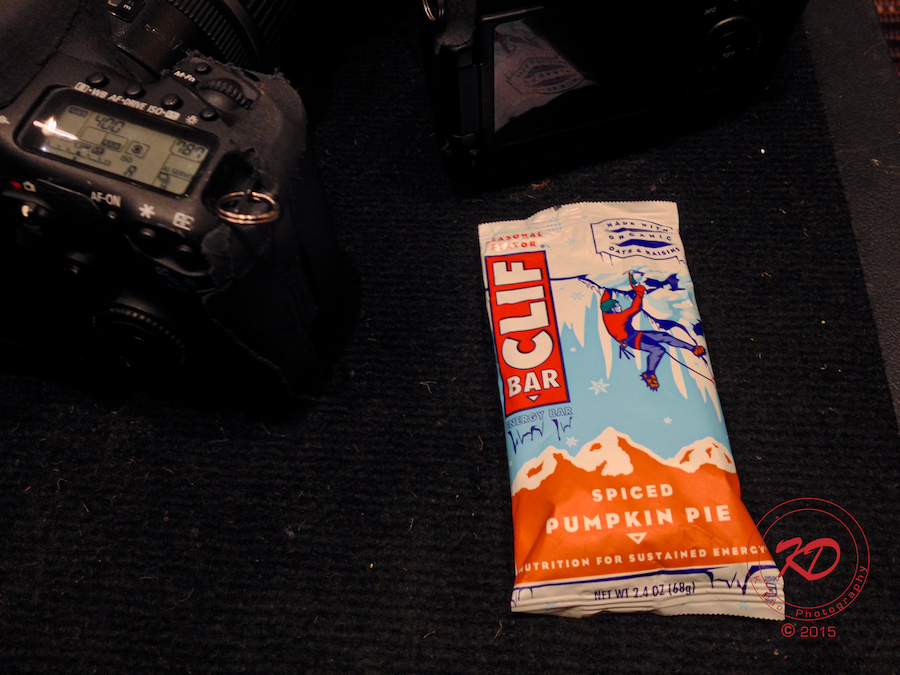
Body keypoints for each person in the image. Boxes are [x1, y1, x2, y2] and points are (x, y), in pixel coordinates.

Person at [600, 284, 705, 390]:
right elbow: (635, 308)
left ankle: (693, 349)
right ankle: (649, 373)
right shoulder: (619, 317)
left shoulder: (605, 313)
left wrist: (607, 290)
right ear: (612, 309)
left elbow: (605, 299)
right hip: (633, 340)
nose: (619, 307)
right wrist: (639, 293)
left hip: (635, 334)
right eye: (617, 306)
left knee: (664, 336)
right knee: (658, 350)